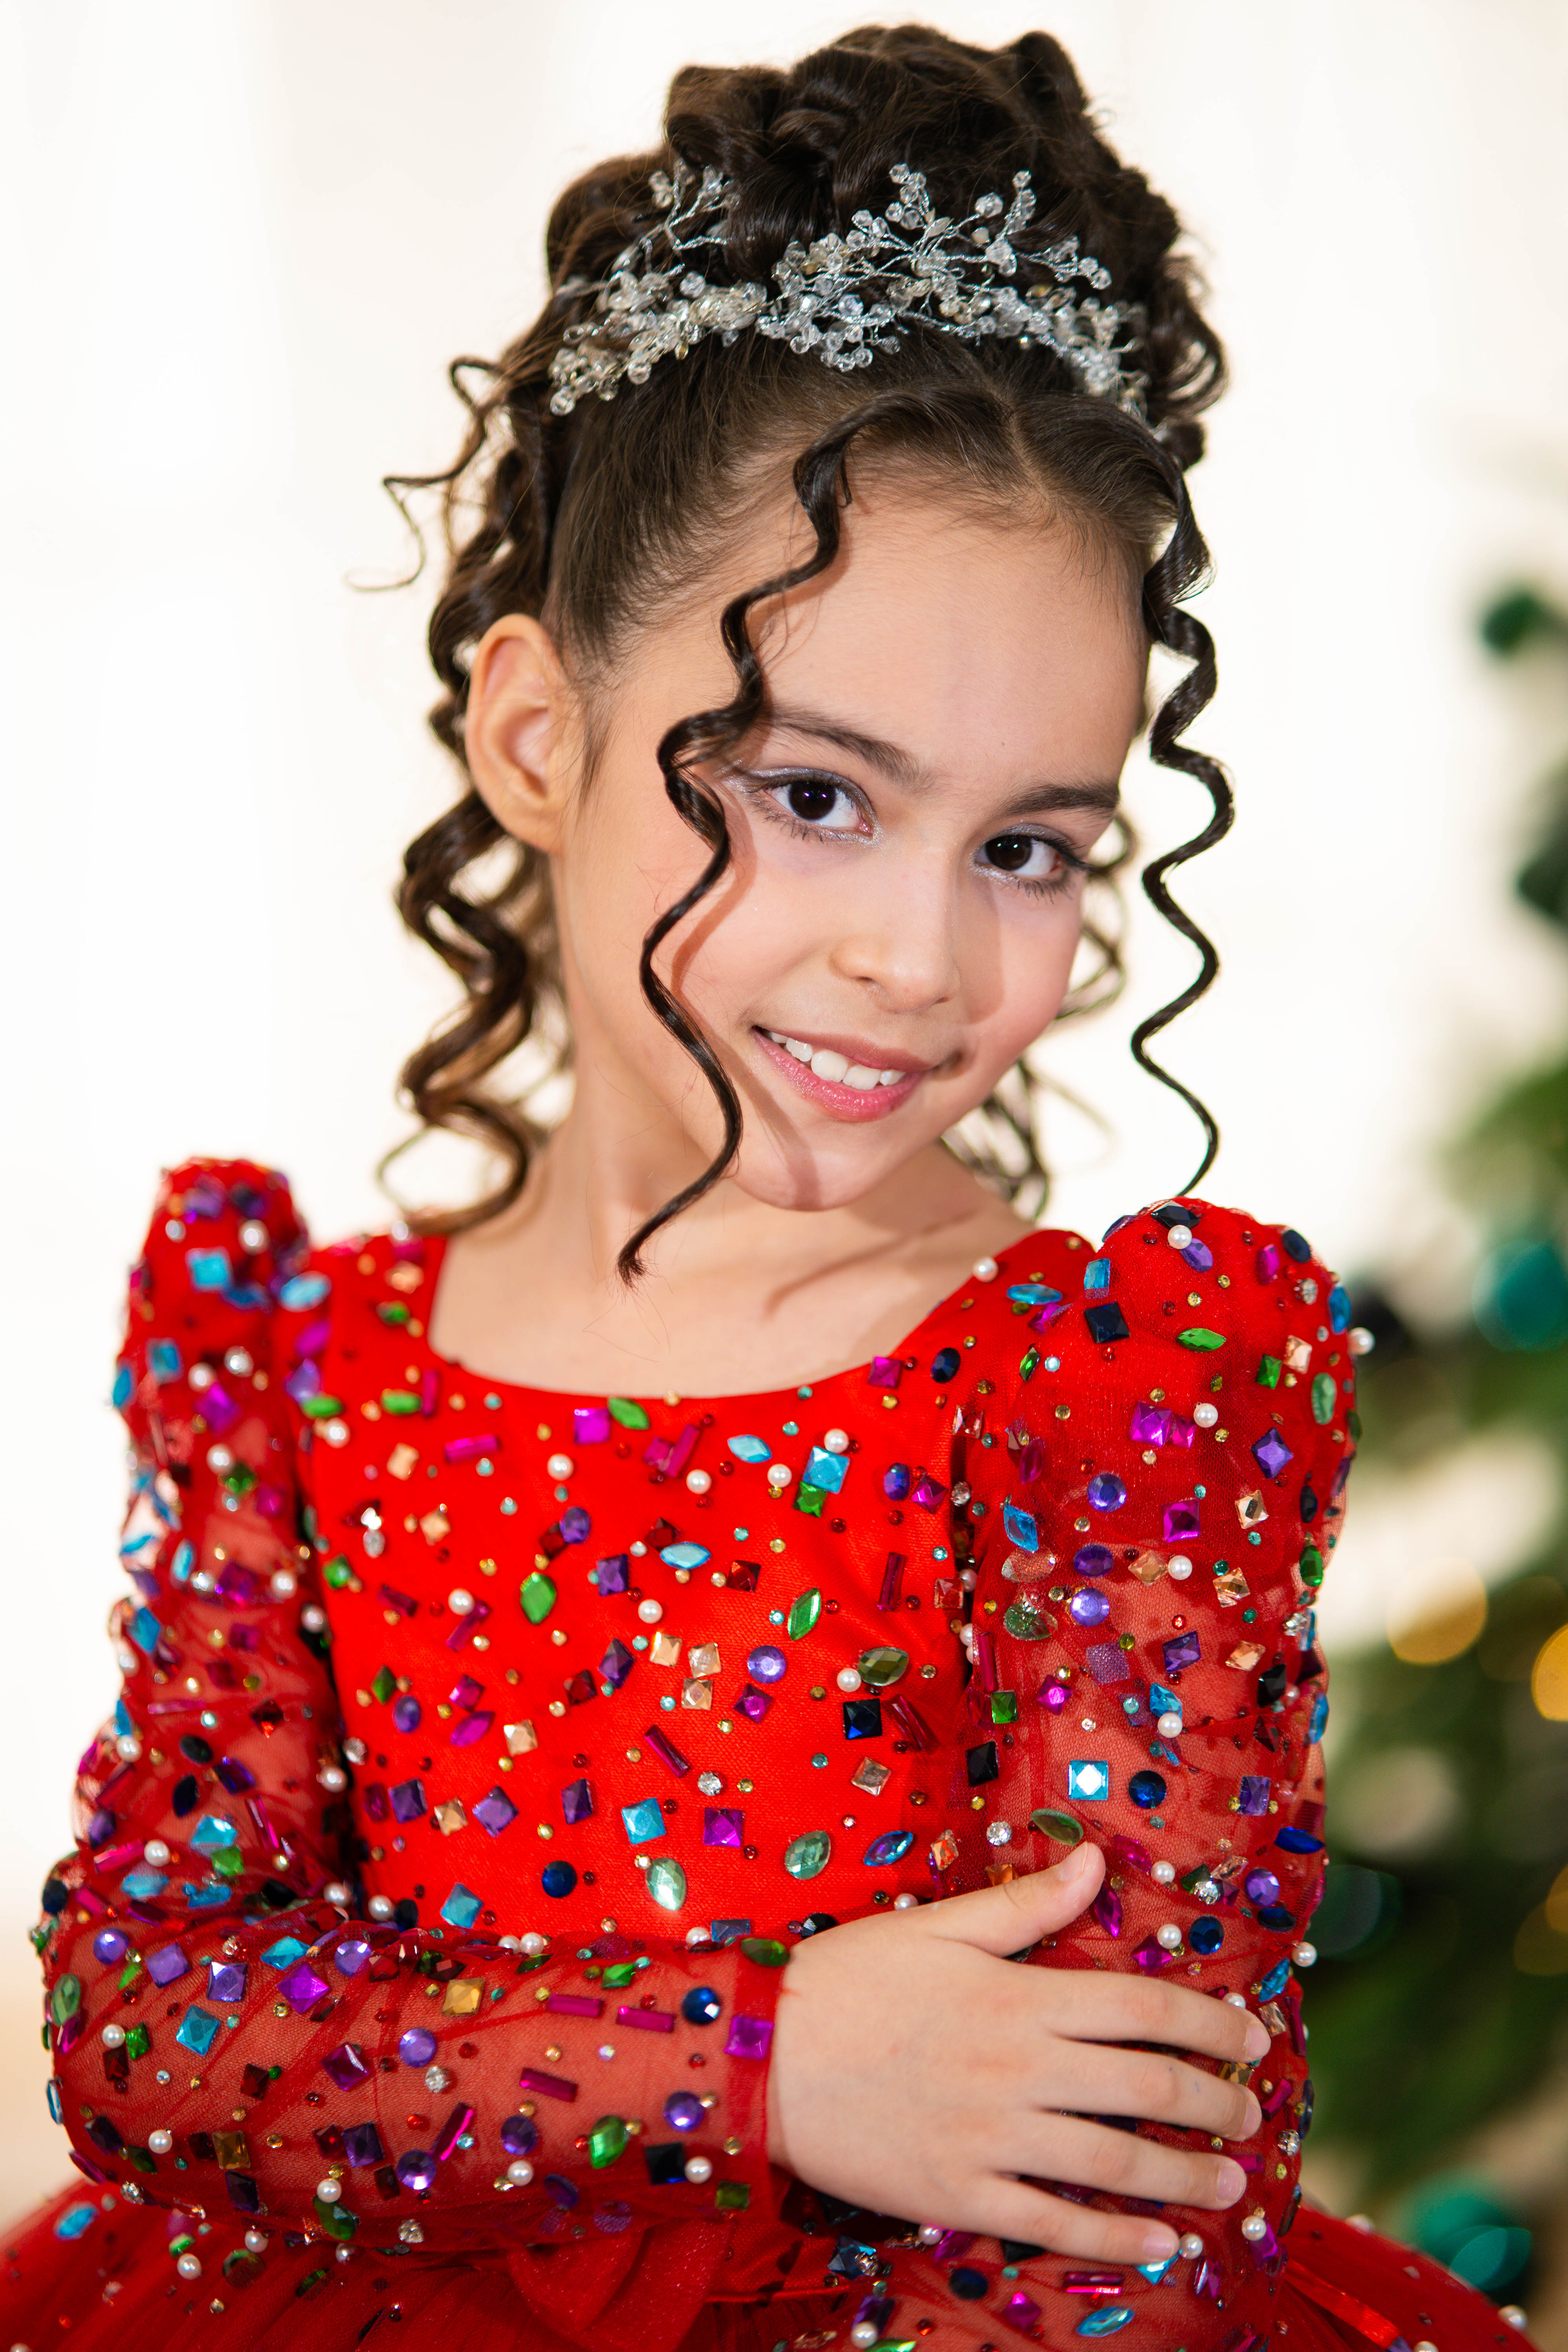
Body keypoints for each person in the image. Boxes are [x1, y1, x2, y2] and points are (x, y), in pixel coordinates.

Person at [0, 24, 1528, 2352]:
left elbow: (1137, 2221)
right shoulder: (283, 1353)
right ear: (538, 734)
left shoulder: (1120, 1392)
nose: (921, 958)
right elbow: (148, 2028)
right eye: (816, 796)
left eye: (1029, 848)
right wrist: (766, 2066)